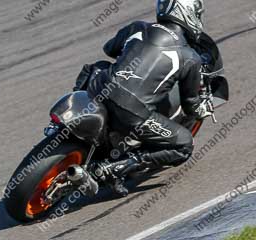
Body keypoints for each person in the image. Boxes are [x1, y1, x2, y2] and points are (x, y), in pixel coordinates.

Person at [75, 0, 213, 196]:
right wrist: (203, 108)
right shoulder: (190, 57)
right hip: (132, 113)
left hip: (98, 90)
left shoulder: (137, 27)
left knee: (98, 65)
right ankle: (114, 169)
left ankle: (71, 114)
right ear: (188, 14)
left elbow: (110, 50)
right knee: (184, 144)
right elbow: (190, 105)